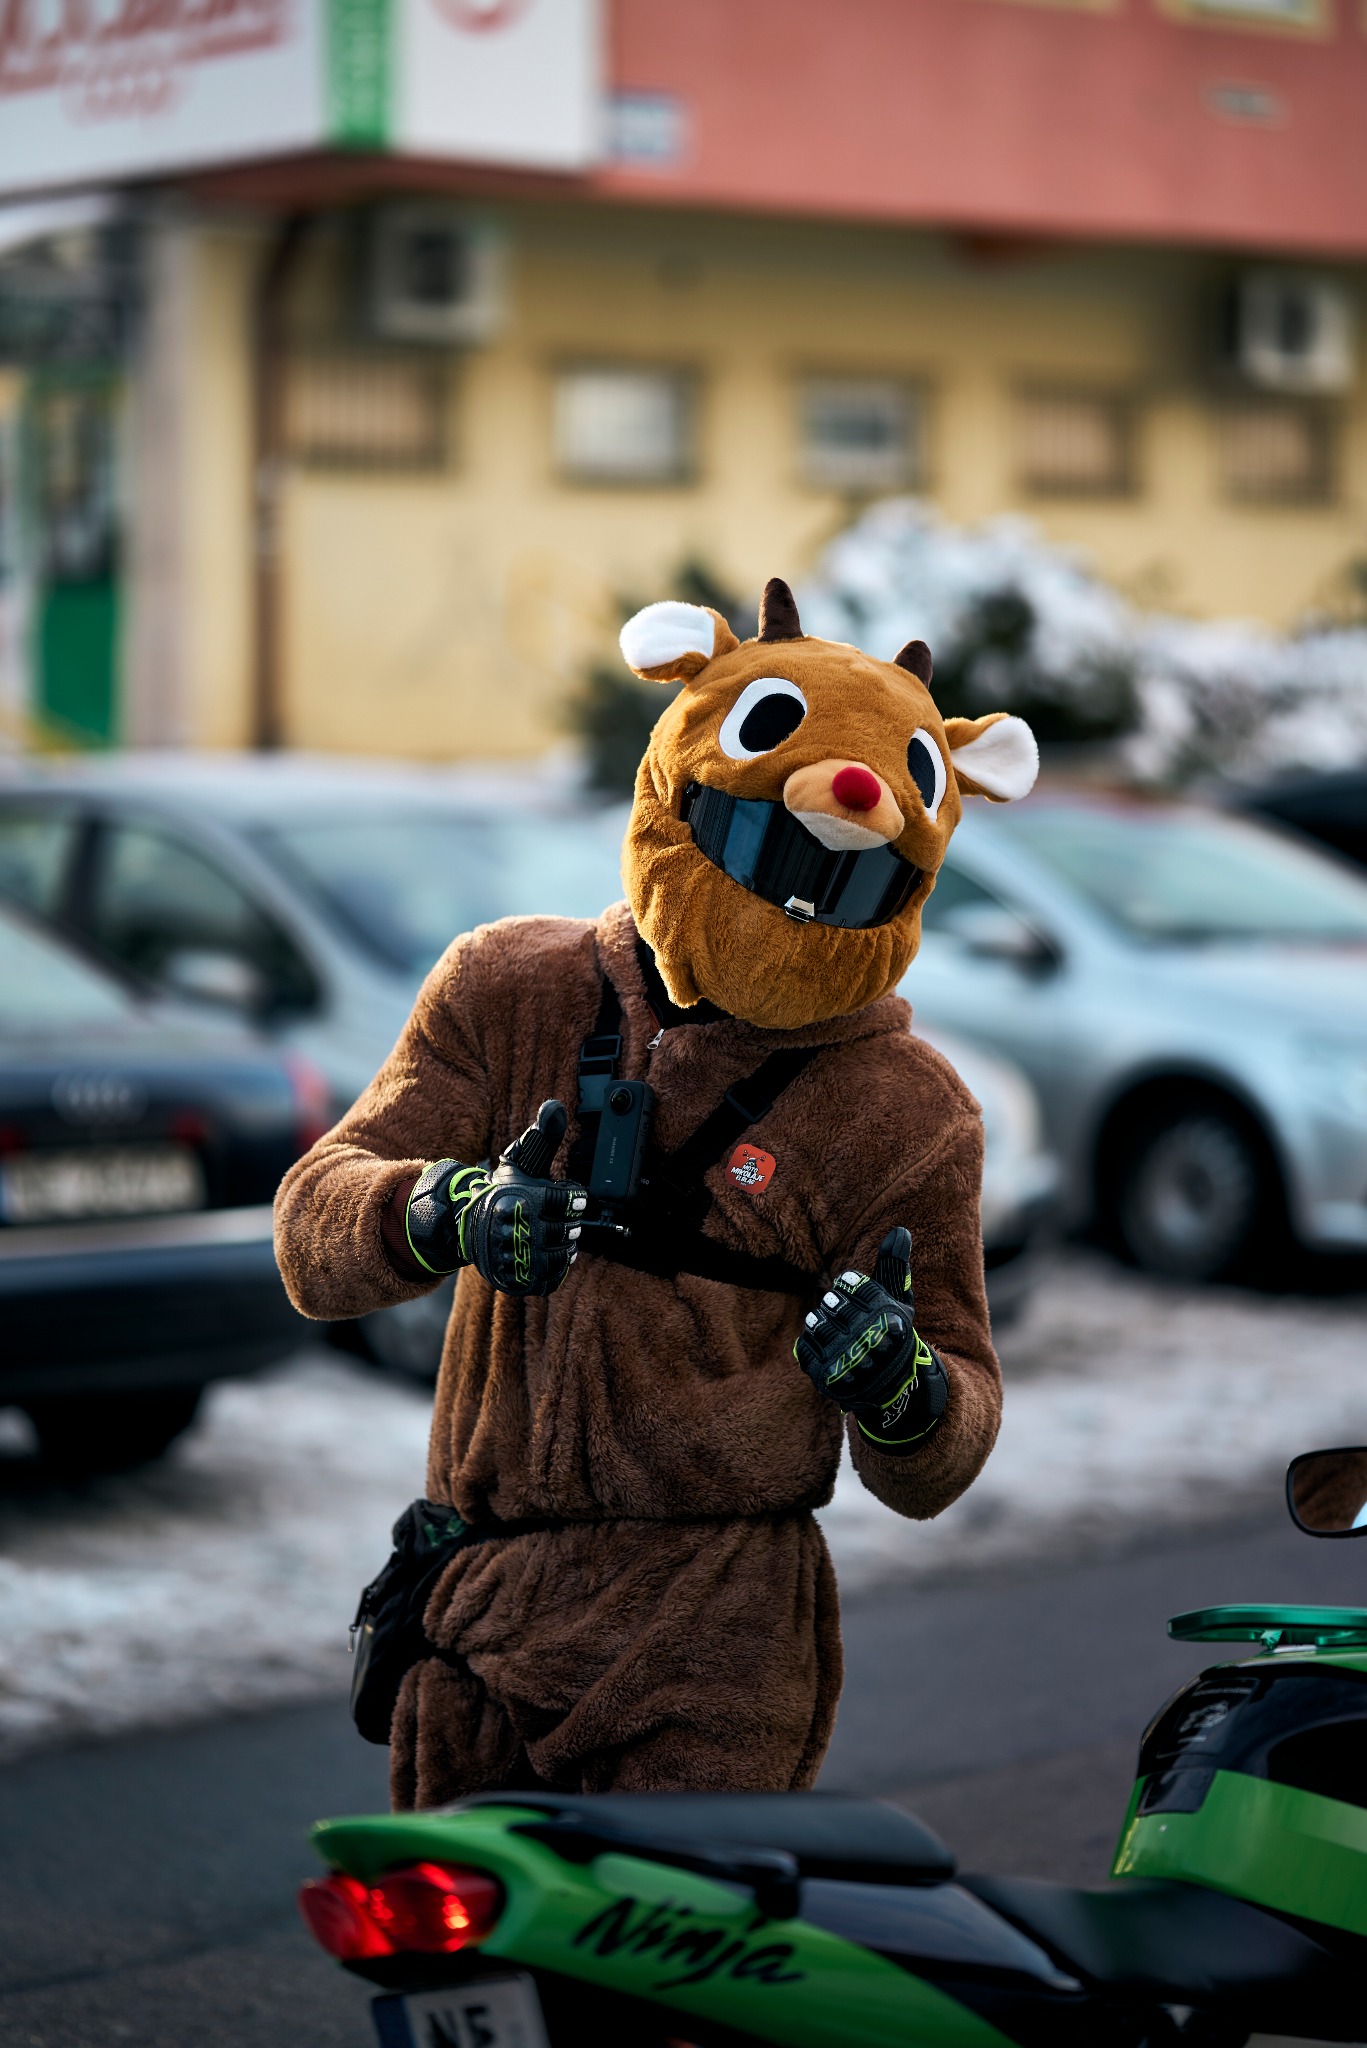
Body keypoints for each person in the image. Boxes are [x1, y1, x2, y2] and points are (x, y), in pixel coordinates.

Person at [274, 578, 1039, 1806]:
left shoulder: (906, 1109)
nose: (800, 887)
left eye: (840, 881)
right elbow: (316, 1229)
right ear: (678, 781)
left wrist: (903, 1391)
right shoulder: (507, 986)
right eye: (758, 845)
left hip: (711, 1634)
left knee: (661, 1989)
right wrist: (443, 1207)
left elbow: (945, 1441)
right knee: (453, 1983)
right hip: (475, 1612)